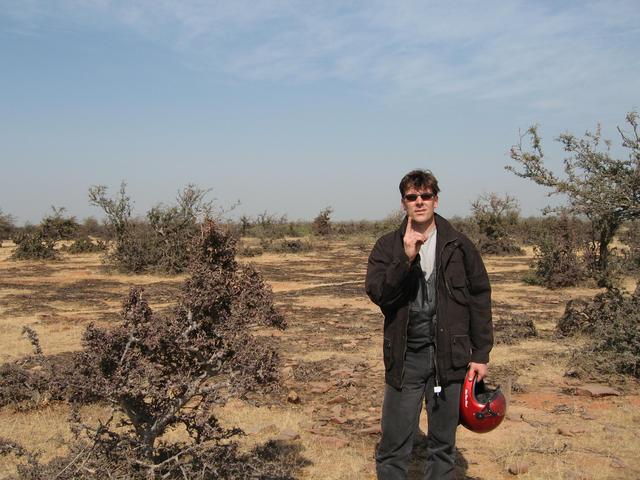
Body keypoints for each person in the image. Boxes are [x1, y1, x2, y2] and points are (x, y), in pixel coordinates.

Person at [365, 169, 493, 479]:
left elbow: (479, 297)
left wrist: (481, 354)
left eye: (425, 196)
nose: (419, 201)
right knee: (394, 446)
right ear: (403, 203)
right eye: (412, 197)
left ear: (436, 200)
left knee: (442, 447)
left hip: (450, 359)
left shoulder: (460, 246)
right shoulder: (387, 247)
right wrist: (406, 258)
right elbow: (379, 293)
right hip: (406, 358)